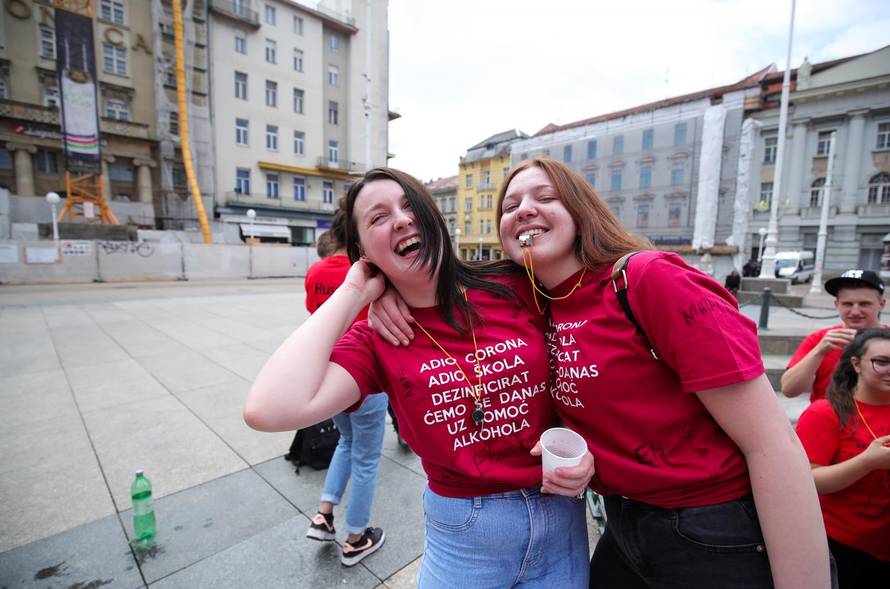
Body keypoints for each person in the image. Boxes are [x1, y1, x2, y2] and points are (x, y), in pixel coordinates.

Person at [371, 159, 833, 589]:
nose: (524, 209)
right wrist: (383, 289)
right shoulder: (535, 302)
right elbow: (438, 284)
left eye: (545, 197)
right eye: (510, 207)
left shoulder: (647, 279)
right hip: (623, 525)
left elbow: (773, 445)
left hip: (711, 526)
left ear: (580, 210)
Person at [245, 167, 593, 588]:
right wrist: (356, 292)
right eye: (378, 217)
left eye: (410, 205)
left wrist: (589, 451)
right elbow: (267, 409)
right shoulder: (377, 339)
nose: (401, 219)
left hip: (560, 520)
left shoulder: (513, 283)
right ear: (363, 250)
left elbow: (587, 361)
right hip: (465, 537)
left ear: (433, 217)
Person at [302, 201, 389, 567]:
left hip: (328, 375)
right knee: (366, 458)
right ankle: (355, 537)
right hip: (364, 378)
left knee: (347, 442)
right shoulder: (368, 273)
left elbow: (314, 324)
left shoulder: (316, 272)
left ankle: (323, 515)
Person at [795, 328, 890, 587]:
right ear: (856, 364)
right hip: (840, 544)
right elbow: (807, 481)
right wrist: (867, 462)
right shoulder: (825, 413)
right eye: (881, 362)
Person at [781, 270, 886, 401]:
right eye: (847, 304)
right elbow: (789, 390)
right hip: (828, 412)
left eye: (864, 304)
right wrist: (819, 351)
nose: (855, 311)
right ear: (837, 305)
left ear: (881, 304)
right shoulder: (819, 339)